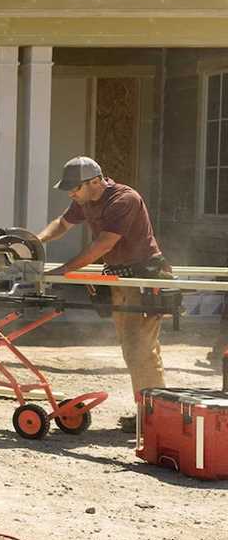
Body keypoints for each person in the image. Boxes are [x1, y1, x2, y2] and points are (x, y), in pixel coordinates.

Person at [38, 156, 170, 433]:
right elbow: (61, 224)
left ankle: (153, 416)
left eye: (75, 188)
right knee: (134, 348)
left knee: (139, 348)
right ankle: (150, 411)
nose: (71, 194)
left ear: (95, 181)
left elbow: (103, 244)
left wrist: (66, 269)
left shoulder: (124, 199)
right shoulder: (85, 200)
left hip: (143, 276)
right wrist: (36, 240)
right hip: (120, 276)